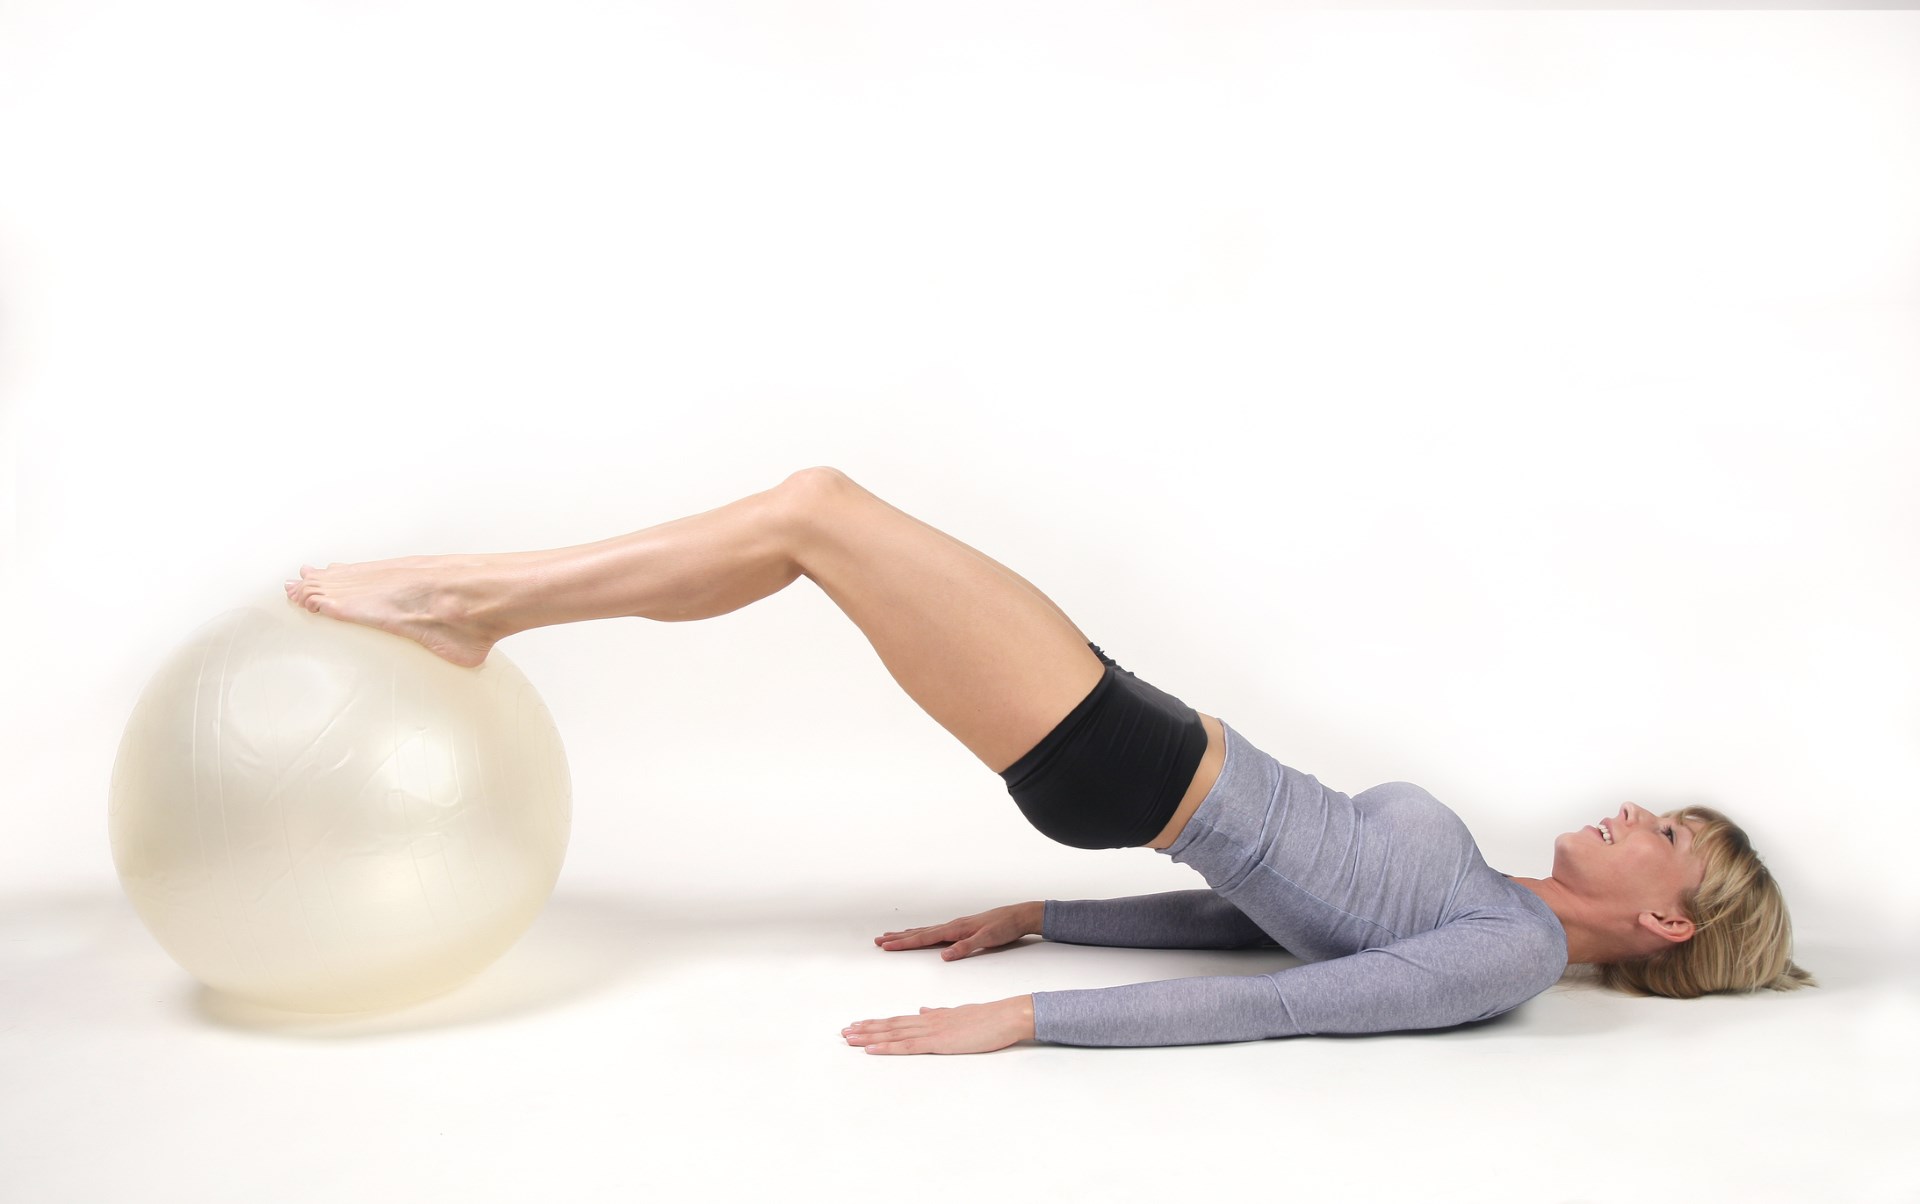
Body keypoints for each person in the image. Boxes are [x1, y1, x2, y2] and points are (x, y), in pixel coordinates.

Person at [284, 465, 1815, 1055]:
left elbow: (1286, 1006)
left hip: (1128, 764)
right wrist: (1044, 913)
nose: (1633, 812)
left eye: (1664, 834)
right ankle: (477, 607)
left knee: (817, 513)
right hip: (1135, 742)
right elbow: (1258, 920)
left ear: (1668, 919)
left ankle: (466, 603)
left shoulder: (1505, 952)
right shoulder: (1489, 896)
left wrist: (1024, 1020)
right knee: (807, 530)